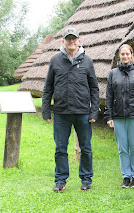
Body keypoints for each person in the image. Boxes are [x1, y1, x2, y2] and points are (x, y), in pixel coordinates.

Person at [42, 27, 99, 192]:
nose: (71, 41)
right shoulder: (55, 60)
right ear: (63, 42)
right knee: (60, 148)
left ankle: (86, 179)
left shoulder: (87, 61)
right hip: (61, 113)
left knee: (86, 147)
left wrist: (94, 111)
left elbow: (94, 88)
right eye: (68, 39)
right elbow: (48, 87)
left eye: (74, 39)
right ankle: (60, 180)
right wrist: (46, 110)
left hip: (83, 113)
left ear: (79, 41)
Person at [104, 44, 134, 188]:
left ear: (131, 55)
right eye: (122, 54)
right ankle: (126, 177)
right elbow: (109, 96)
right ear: (119, 56)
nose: (125, 57)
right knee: (122, 148)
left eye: (127, 54)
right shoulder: (113, 73)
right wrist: (109, 116)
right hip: (118, 117)